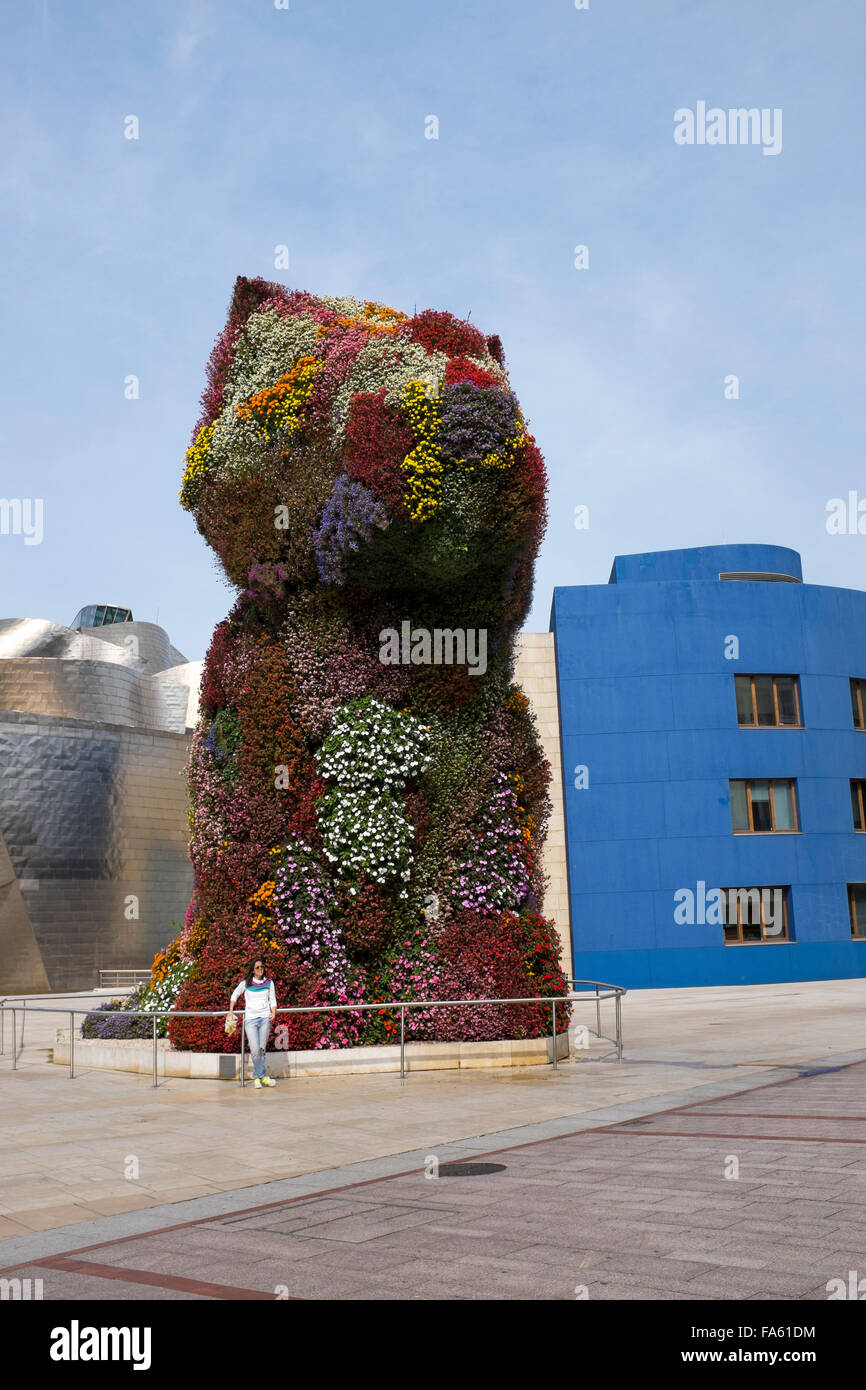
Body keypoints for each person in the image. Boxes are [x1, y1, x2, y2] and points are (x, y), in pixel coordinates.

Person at [229, 958, 277, 1089]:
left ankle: (257, 1077)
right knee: (254, 1050)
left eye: (262, 966)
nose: (260, 969)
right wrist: (231, 1011)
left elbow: (272, 1000)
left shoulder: (269, 982)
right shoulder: (246, 983)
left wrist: (273, 1012)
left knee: (261, 1050)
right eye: (257, 967)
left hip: (265, 1019)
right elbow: (234, 995)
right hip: (250, 1020)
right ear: (253, 970)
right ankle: (263, 1076)